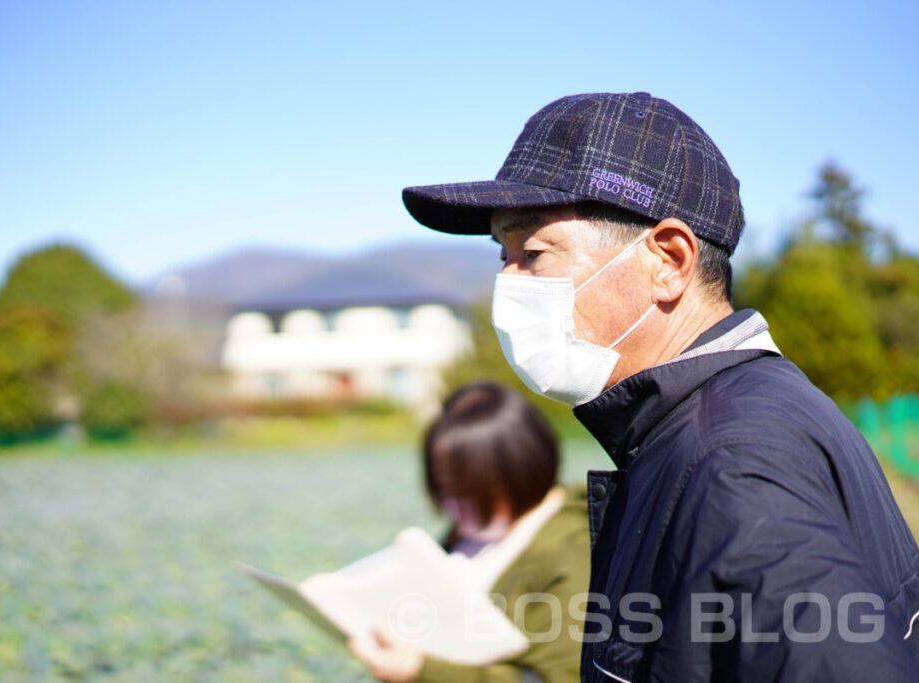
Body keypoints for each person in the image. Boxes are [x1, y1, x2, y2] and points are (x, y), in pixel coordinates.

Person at [399, 92, 919, 681]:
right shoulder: (737, 414)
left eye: (533, 253)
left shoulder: (730, 461)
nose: (507, 282)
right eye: (503, 255)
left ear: (668, 261)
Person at [349, 381, 586, 682]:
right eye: (445, 488)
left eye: (469, 491)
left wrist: (422, 672)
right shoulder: (470, 533)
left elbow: (557, 678)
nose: (454, 506)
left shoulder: (571, 551)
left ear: (520, 470)